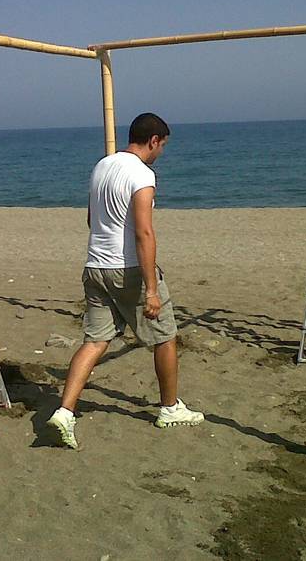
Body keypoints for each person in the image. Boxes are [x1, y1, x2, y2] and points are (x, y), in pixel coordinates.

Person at [46, 113, 203, 449]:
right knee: (164, 336)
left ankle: (64, 410)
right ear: (154, 140)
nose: (161, 152)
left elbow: (92, 219)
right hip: (127, 269)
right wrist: (150, 289)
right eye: (163, 146)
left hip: (94, 266)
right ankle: (170, 407)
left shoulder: (102, 166)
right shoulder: (142, 175)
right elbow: (145, 232)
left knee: (95, 340)